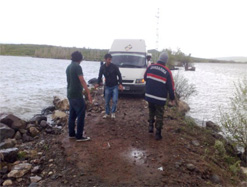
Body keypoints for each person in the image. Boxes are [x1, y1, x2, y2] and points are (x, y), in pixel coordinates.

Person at [144, 51, 176, 140]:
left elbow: (145, 78)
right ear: (166, 61)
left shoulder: (150, 67)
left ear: (159, 58)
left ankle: (150, 126)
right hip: (160, 97)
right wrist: (172, 98)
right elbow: (171, 87)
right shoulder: (167, 71)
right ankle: (158, 133)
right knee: (159, 114)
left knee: (151, 110)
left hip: (149, 95)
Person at [66, 51, 92, 141]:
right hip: (77, 94)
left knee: (72, 114)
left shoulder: (68, 67)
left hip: (69, 93)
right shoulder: (77, 67)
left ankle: (71, 133)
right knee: (81, 114)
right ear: (79, 58)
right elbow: (82, 80)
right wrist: (88, 92)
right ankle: (79, 136)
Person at [95, 54, 123, 119]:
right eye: (108, 59)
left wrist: (120, 84)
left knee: (115, 100)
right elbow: (100, 76)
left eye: (110, 59)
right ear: (105, 59)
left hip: (115, 86)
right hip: (107, 86)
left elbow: (119, 75)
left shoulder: (114, 67)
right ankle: (107, 113)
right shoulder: (102, 67)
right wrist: (98, 83)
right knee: (106, 101)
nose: (109, 61)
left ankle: (113, 112)